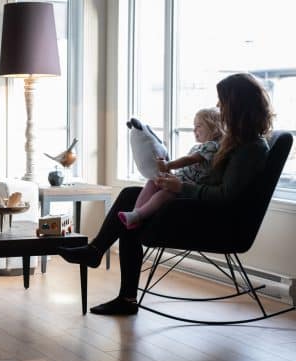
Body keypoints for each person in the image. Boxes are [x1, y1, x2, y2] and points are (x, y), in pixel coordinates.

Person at [58, 73, 272, 316]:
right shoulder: (232, 141)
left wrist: (181, 188)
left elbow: (226, 197)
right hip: (198, 207)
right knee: (130, 197)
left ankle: (119, 287)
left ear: (237, 107)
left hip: (215, 221)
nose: (218, 108)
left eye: (222, 103)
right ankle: (98, 254)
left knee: (134, 214)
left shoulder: (250, 149)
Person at [118, 108, 224, 229]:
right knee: (153, 181)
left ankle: (138, 215)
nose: (195, 130)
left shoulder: (212, 146)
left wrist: (169, 165)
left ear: (214, 127)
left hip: (189, 186)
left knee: (164, 194)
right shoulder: (200, 147)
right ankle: (135, 213)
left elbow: (190, 160)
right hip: (181, 180)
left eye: (199, 126)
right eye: (194, 126)